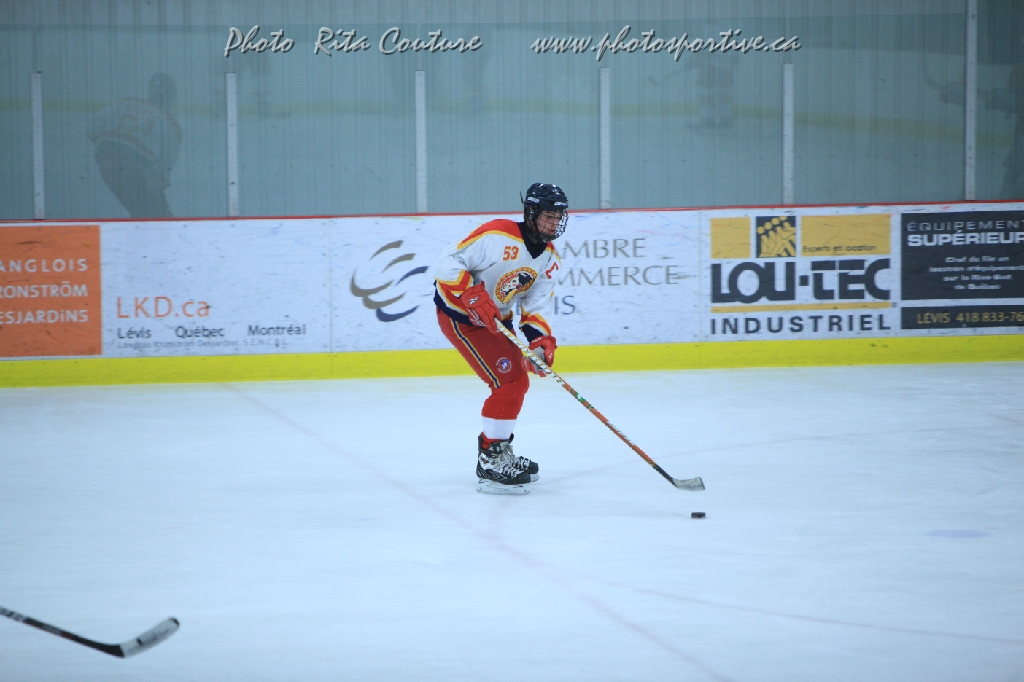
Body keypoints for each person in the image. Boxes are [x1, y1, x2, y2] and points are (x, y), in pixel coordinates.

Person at [433, 183, 568, 495]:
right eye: (548, 215)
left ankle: (498, 452)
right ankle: (490, 460)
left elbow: (536, 305)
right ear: (531, 212)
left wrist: (540, 340)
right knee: (510, 383)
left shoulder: (549, 258)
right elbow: (447, 263)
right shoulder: (498, 234)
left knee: (517, 380)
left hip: (497, 320)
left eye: (558, 217)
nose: (554, 223)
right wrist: (469, 293)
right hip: (462, 318)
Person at [88, 73, 182, 218]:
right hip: (134, 164)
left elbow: (93, 126)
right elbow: (164, 168)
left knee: (141, 211)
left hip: (105, 157)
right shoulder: (171, 125)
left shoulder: (128, 102)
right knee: (156, 215)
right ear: (171, 97)